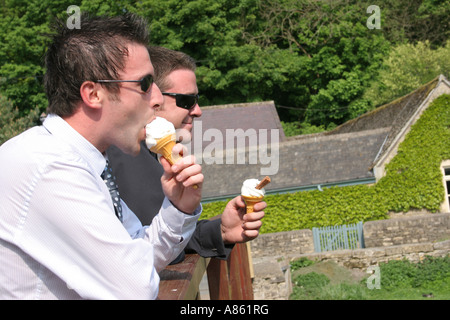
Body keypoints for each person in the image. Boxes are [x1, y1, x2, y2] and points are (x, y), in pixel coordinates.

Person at [0, 13, 203, 300]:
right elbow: (135, 288)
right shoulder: (51, 167)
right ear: (93, 94)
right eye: (145, 84)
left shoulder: (83, 160)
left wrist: (178, 209)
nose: (157, 98)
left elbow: (138, 251)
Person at [107, 46, 266, 261]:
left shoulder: (151, 154)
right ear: (152, 97)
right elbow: (149, 250)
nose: (198, 110)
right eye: (186, 101)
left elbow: (163, 236)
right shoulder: (122, 157)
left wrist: (222, 231)